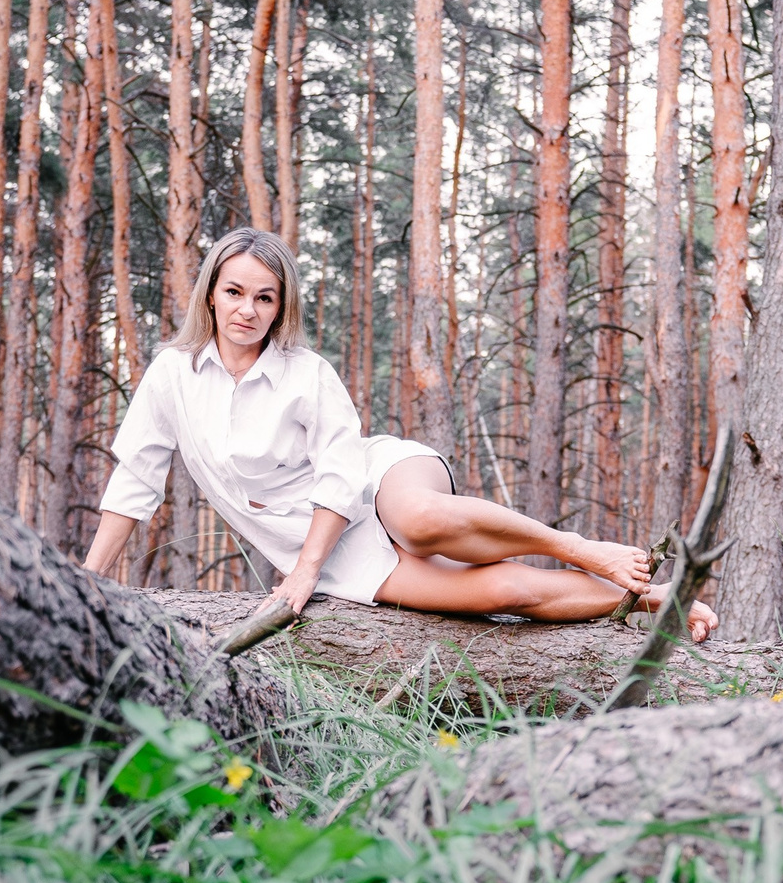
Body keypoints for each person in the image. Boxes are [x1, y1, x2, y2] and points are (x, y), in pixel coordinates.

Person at [82, 227, 717, 640]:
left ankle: (577, 546)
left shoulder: (306, 374)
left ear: (282, 307)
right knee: (504, 590)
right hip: (334, 551)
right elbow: (135, 481)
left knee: (418, 520)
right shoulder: (172, 375)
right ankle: (650, 602)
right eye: (235, 292)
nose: (248, 310)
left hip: (377, 480)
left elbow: (339, 469)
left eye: (265, 298)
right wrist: (85, 579)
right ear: (211, 296)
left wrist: (302, 574)